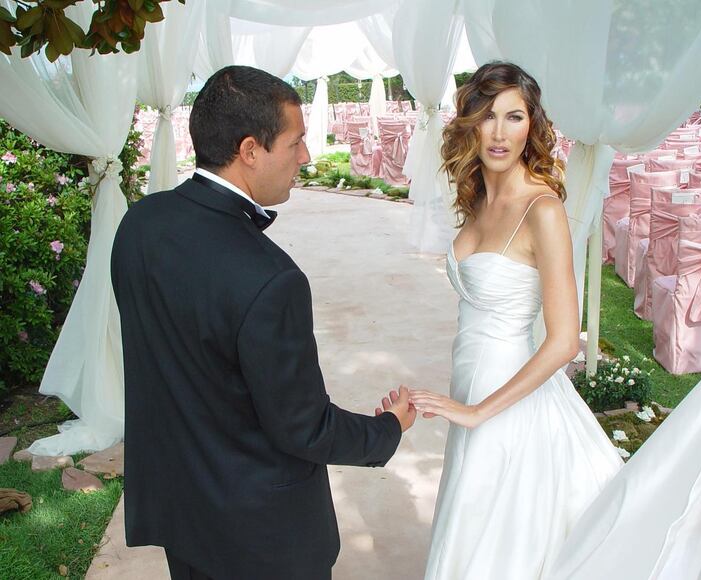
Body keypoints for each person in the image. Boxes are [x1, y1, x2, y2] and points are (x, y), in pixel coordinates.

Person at [111, 65, 416, 580]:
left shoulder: (140, 222)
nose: (306, 157)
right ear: (250, 150)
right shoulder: (271, 279)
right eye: (296, 143)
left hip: (182, 511)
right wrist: (387, 429)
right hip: (260, 538)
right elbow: (303, 426)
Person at [409, 62, 624, 579]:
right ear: (469, 123)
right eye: (487, 116)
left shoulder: (542, 210)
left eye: (514, 116)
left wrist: (480, 411)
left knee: (499, 547)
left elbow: (565, 341)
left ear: (533, 126)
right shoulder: (480, 199)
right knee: (471, 528)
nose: (499, 132)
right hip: (474, 386)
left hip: (507, 401)